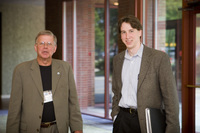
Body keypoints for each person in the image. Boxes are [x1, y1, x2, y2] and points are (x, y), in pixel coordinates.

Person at [111, 15, 180, 133]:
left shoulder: (158, 58)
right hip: (122, 121)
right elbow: (116, 93)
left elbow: (170, 99)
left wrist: (172, 129)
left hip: (147, 122)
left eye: (131, 31)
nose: (127, 36)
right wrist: (115, 115)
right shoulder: (118, 60)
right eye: (123, 32)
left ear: (140, 32)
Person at [6, 30, 83, 133]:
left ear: (54, 48)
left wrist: (77, 128)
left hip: (58, 128)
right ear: (35, 47)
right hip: (30, 129)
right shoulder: (21, 70)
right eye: (41, 43)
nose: (45, 47)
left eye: (49, 44)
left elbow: (73, 102)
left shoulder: (65, 68)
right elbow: (14, 108)